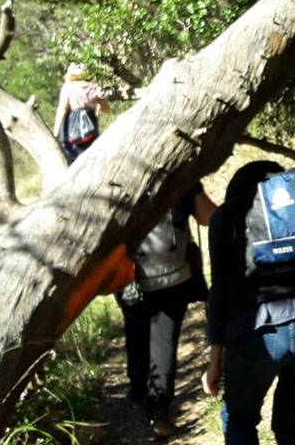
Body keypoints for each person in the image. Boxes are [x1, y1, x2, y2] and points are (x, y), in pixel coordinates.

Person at [202, 161, 295, 445]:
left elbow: (218, 293)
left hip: (255, 331)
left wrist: (214, 360)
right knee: (293, 424)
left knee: (239, 419)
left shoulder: (227, 216)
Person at [116, 182, 217, 438]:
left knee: (136, 331)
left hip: (130, 277)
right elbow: (208, 217)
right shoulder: (179, 173)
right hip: (174, 276)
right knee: (164, 340)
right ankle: (159, 413)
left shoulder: (116, 178)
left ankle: (139, 391)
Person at [52, 62, 108, 163]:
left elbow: (63, 109)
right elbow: (106, 108)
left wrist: (56, 130)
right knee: (93, 154)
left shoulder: (68, 87)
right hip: (90, 125)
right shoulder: (92, 87)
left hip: (71, 127)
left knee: (74, 157)